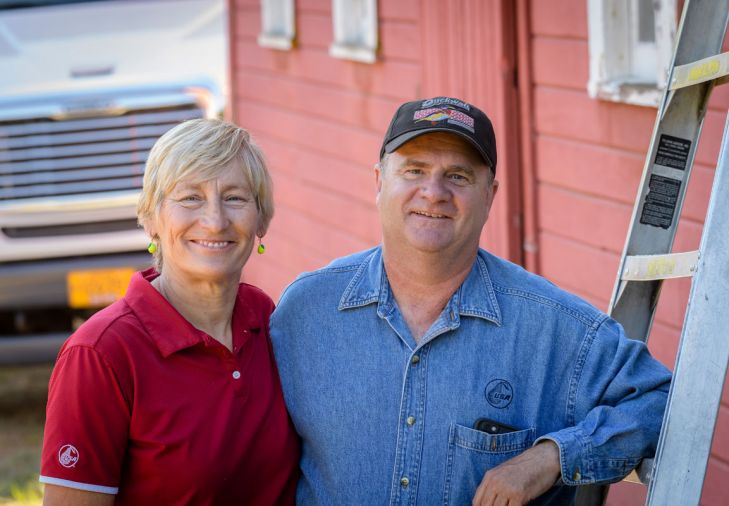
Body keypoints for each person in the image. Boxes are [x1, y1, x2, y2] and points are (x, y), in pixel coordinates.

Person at [270, 97, 671, 505]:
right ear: (378, 181)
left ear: (490, 195)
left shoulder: (554, 328)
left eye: (458, 176)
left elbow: (661, 400)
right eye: (414, 170)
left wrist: (552, 457)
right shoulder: (306, 312)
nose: (434, 192)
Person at [40, 119, 299, 505]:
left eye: (235, 198)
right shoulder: (100, 355)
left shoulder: (265, 319)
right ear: (150, 219)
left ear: (262, 220)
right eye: (190, 198)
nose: (215, 220)